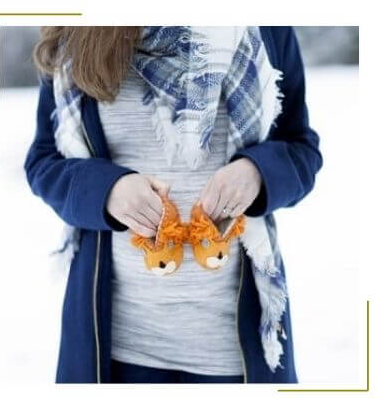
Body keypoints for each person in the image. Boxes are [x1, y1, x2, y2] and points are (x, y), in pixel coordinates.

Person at [24, 26, 323, 383]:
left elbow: (301, 149)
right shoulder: (78, 33)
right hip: (115, 349)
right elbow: (43, 161)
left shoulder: (265, 27)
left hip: (233, 353)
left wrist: (258, 173)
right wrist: (106, 190)